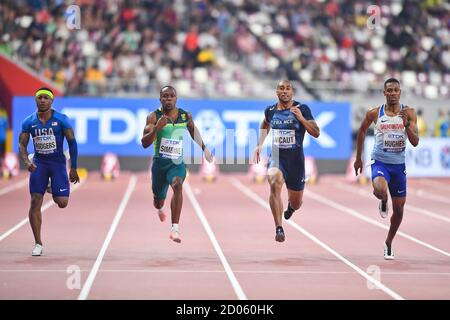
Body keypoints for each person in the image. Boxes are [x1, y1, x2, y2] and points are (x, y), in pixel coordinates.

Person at [354, 78, 419, 260]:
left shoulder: (409, 113)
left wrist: (407, 125)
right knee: (380, 188)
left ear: (400, 92)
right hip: (380, 162)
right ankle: (383, 199)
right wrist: (359, 158)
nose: (392, 93)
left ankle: (388, 243)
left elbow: (415, 142)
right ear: (384, 93)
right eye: (389, 90)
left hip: (398, 166)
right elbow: (361, 131)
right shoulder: (375, 113)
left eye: (395, 90)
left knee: (399, 211)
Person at [141, 85, 213, 243]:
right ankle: (160, 207)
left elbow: (193, 131)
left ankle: (175, 229)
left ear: (176, 98)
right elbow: (144, 143)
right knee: (158, 200)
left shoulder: (185, 116)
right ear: (160, 99)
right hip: (159, 164)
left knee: (178, 184)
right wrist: (156, 129)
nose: (168, 99)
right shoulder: (153, 117)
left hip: (177, 162)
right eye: (165, 96)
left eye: (171, 96)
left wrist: (204, 149)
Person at [253, 80, 320, 242]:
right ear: (277, 92)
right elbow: (265, 123)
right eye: (281, 88)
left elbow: (316, 132)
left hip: (296, 161)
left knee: (296, 203)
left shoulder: (302, 109)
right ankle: (279, 227)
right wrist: (259, 144)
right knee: (274, 183)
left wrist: (302, 119)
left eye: (288, 89)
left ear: (292, 92)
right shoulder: (270, 110)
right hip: (277, 157)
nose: (284, 91)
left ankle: (290, 208)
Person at [19, 87, 80, 256]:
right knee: (35, 201)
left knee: (62, 202)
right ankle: (38, 243)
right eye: (40, 98)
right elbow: (22, 144)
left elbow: (72, 143)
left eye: (46, 98)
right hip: (39, 163)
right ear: (35, 100)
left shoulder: (61, 120)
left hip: (58, 163)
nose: (43, 100)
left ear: (51, 101)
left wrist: (73, 167)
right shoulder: (29, 121)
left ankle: (52, 186)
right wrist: (26, 161)